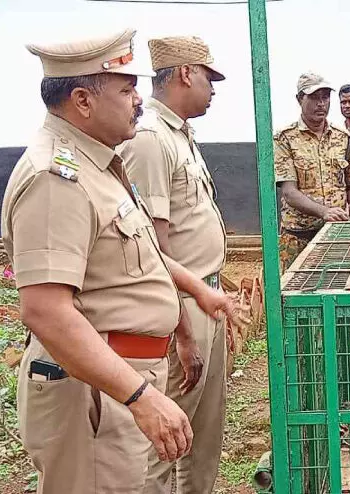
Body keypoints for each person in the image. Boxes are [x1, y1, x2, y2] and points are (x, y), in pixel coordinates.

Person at [1, 28, 231, 493]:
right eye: (126, 90)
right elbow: (46, 310)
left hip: (116, 384)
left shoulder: (98, 166)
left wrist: (200, 290)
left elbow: (141, 255)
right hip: (93, 393)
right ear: (83, 100)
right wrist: (141, 396)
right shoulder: (56, 179)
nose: (138, 101)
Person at [119, 35, 233, 494]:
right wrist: (181, 329)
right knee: (165, 440)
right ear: (185, 73)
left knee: (201, 438)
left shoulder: (178, 135)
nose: (214, 87)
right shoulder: (150, 141)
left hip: (203, 298)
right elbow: (152, 252)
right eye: (209, 76)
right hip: (182, 305)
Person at [275, 72, 350, 271]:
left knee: (337, 289)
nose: (321, 104)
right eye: (314, 98)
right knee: (293, 295)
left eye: (325, 97)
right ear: (300, 99)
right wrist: (324, 212)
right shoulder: (285, 139)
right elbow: (290, 193)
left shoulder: (342, 137)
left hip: (336, 235)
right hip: (298, 238)